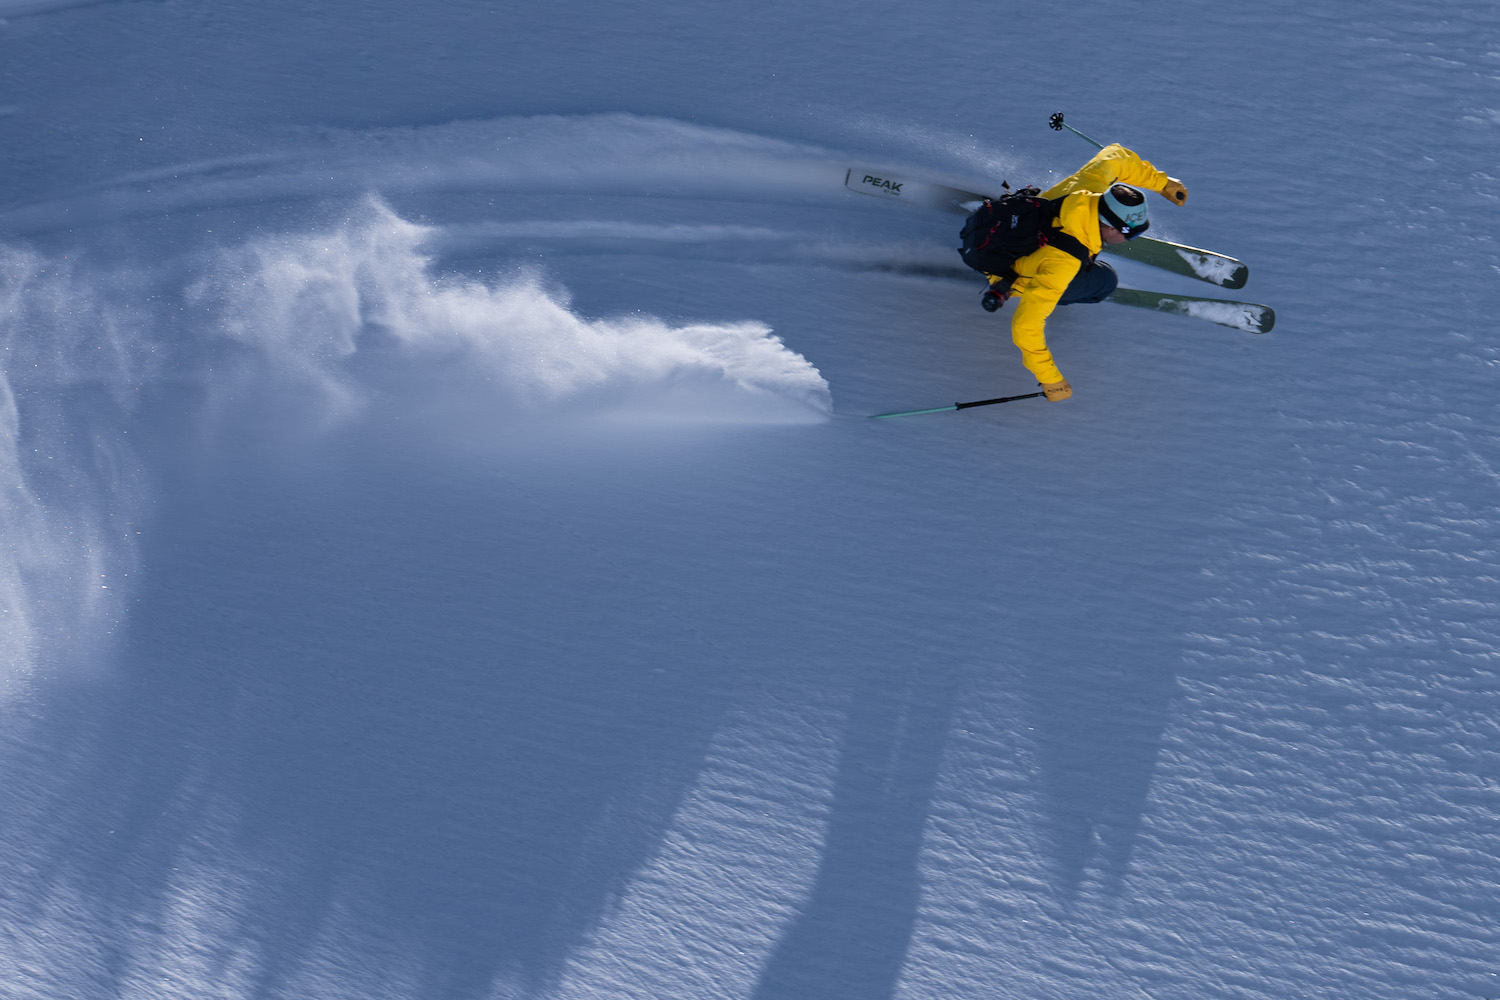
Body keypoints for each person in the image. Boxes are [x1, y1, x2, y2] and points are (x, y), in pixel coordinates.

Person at [968, 144, 1189, 402]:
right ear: (1109, 227)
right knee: (1105, 280)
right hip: (1012, 273)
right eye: (1129, 234)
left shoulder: (1089, 187)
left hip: (1025, 232)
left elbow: (1116, 157)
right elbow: (1025, 326)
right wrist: (1050, 379)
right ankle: (1053, 293)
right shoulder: (1062, 264)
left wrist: (1162, 183)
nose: (1130, 240)